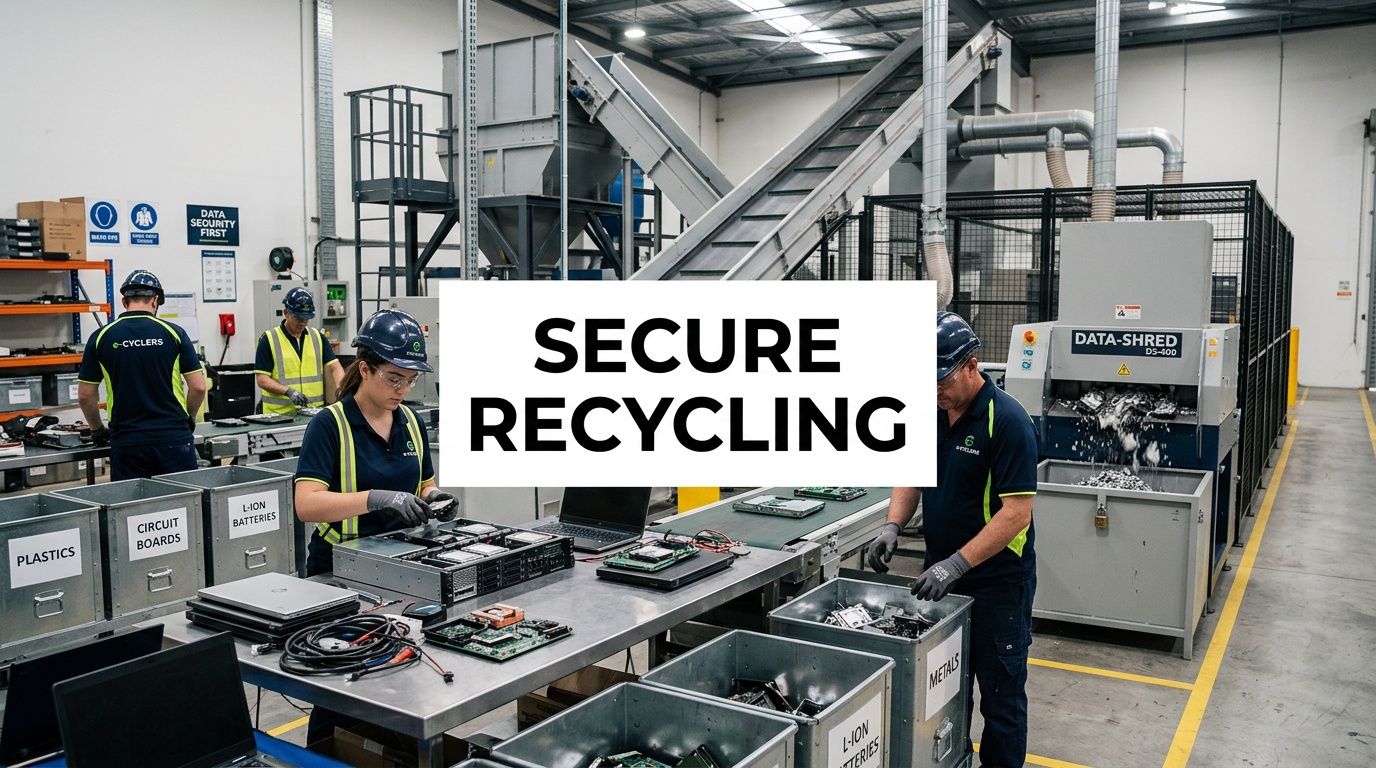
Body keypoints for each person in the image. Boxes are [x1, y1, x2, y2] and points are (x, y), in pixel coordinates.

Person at [866, 311, 1038, 768]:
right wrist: (892, 525)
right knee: (944, 688)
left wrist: (957, 564)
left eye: (941, 379)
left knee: (1000, 698)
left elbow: (1017, 513)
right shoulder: (930, 412)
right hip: (941, 579)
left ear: (971, 365)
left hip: (998, 584)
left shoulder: (1009, 422)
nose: (933, 390)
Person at [291, 308, 455, 746]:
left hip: (403, 568)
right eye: (394, 378)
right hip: (340, 572)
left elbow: (424, 483)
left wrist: (434, 498)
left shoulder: (411, 422)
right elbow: (306, 504)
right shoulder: (330, 424)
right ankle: (326, 752)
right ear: (364, 369)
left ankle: (387, 754)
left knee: (400, 671)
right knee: (341, 679)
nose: (403, 390)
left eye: (411, 380)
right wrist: (375, 499)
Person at [76, 269, 207, 481]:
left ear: (124, 301)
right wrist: (189, 420)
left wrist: (98, 430)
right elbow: (199, 387)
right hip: (173, 437)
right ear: (155, 300)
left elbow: (85, 396)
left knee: (133, 501)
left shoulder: (101, 337)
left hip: (127, 441)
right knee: (182, 499)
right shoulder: (175, 334)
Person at [255, 286, 343, 414]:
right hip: (279, 415)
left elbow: (335, 367)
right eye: (298, 318)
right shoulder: (269, 339)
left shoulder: (317, 337)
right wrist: (288, 391)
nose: (302, 323)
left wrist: (342, 390)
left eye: (306, 319)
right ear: (286, 313)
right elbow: (262, 379)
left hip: (312, 413)